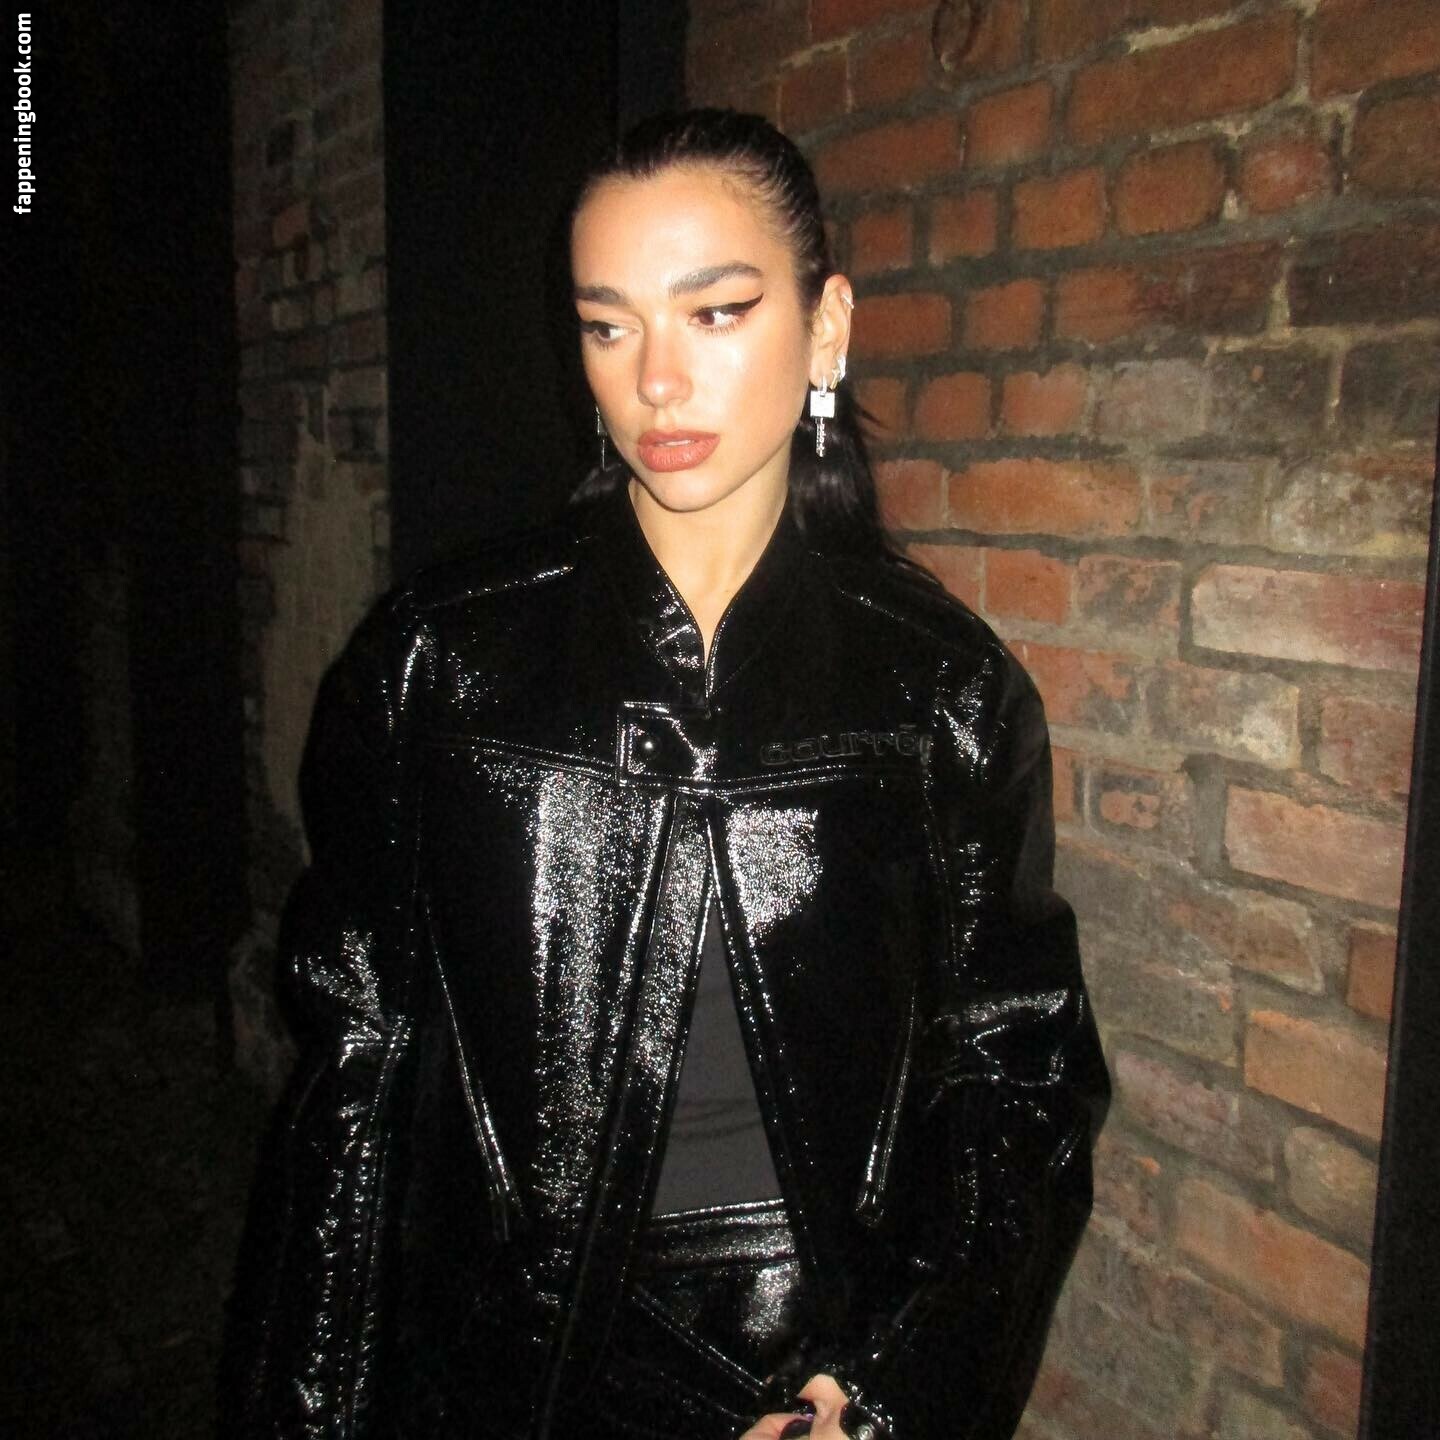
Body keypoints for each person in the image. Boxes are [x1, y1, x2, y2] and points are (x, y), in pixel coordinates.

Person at [225, 107, 1110, 1440]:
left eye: (715, 313)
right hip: (498, 1373)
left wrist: (881, 1391)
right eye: (608, 325)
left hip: (806, 1374)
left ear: (825, 329)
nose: (655, 379)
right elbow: (353, 1080)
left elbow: (1017, 1081)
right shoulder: (440, 661)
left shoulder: (941, 692)